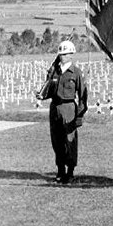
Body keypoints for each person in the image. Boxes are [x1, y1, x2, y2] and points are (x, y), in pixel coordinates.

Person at [37, 40, 88, 184]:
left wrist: (79, 116)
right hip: (55, 108)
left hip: (69, 108)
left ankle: (70, 171)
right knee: (57, 141)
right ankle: (60, 170)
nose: (62, 56)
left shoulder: (76, 72)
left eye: (65, 54)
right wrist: (42, 95)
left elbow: (83, 95)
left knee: (70, 141)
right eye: (61, 54)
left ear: (72, 55)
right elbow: (50, 90)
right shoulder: (54, 71)